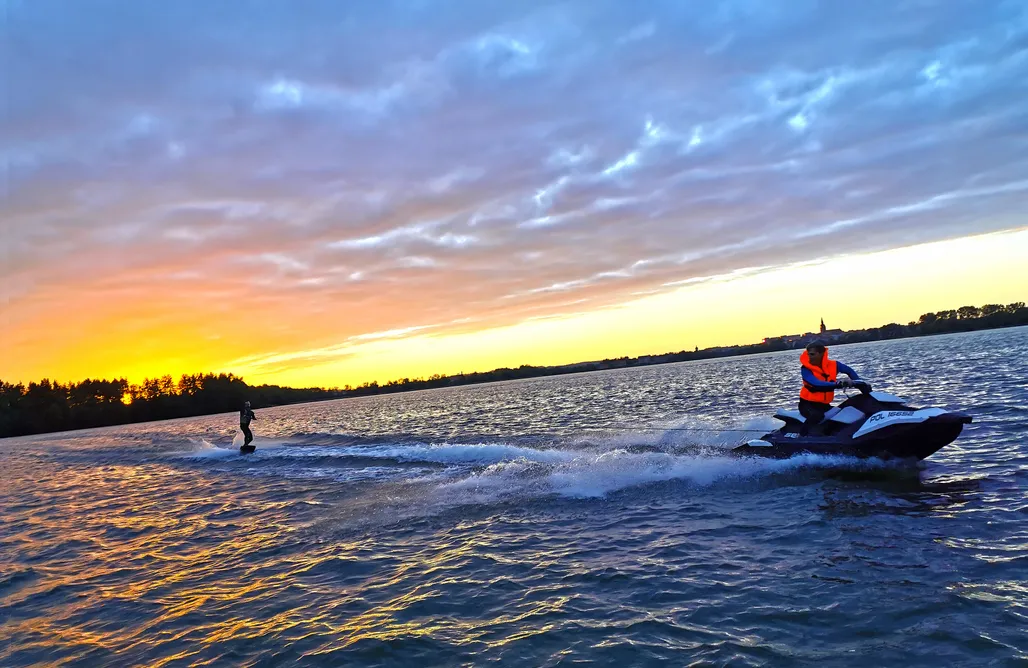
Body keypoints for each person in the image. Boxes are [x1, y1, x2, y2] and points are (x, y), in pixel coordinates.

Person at [798, 340, 867, 425]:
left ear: (821, 354)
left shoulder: (834, 365)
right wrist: (838, 384)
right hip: (807, 405)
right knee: (817, 416)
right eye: (808, 354)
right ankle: (803, 435)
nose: (809, 357)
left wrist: (858, 383)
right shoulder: (805, 369)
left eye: (812, 354)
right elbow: (816, 383)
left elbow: (849, 371)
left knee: (843, 413)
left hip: (824, 405)